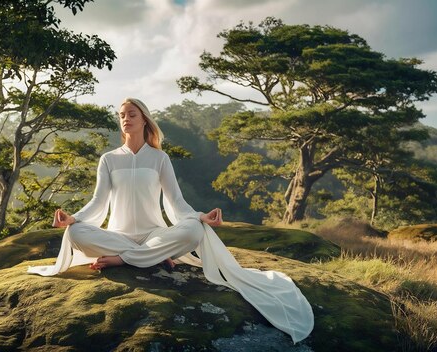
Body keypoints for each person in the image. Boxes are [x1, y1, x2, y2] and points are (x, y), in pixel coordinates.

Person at [28, 98, 314, 344]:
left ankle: (125, 260)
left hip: (154, 235)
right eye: (121, 115)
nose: (125, 119)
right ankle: (150, 258)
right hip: (117, 236)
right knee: (77, 234)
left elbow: (176, 203)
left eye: (131, 114)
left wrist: (200, 216)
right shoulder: (109, 159)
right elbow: (98, 202)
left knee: (192, 230)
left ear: (144, 120)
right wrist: (73, 218)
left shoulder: (159, 158)